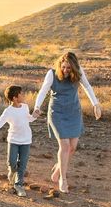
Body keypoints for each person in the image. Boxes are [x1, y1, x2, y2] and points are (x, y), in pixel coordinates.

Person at [34, 52, 101, 193]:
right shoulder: (52, 74)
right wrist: (37, 107)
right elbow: (43, 91)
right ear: (60, 65)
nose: (65, 70)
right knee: (64, 146)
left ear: (74, 68)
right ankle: (63, 179)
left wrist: (95, 104)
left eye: (69, 68)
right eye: (63, 67)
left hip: (73, 112)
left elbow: (87, 87)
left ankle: (58, 167)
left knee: (72, 147)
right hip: (57, 113)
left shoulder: (78, 72)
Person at [0, 86, 38, 197]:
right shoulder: (8, 111)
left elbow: (28, 118)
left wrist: (34, 116)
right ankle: (12, 172)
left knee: (23, 164)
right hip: (14, 140)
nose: (23, 95)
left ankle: (19, 185)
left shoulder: (25, 107)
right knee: (11, 162)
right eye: (21, 94)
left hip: (26, 140)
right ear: (15, 98)